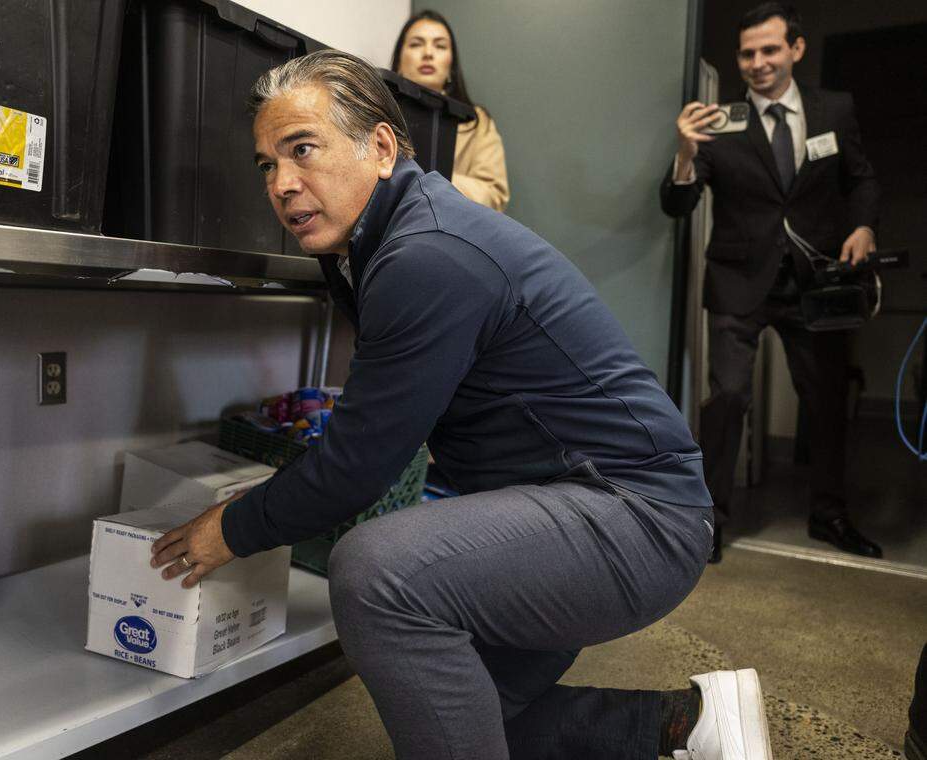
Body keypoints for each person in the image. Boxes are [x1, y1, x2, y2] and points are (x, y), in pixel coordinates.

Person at [148, 49, 773, 760]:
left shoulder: (426, 253)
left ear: (381, 147)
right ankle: (689, 725)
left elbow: (357, 468)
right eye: (267, 164)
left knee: (375, 573)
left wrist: (229, 527)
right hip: (576, 505)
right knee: (456, 703)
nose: (283, 185)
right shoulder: (379, 240)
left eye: (302, 150)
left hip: (635, 516)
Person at [660, 2, 882, 563]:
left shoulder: (835, 108)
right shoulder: (720, 123)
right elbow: (677, 204)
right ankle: (710, 522)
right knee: (729, 396)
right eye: (747, 53)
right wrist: (686, 152)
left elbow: (860, 180)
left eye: (769, 50)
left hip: (817, 282)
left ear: (795, 50)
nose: (757, 63)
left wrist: (862, 227)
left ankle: (829, 514)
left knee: (826, 400)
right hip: (738, 280)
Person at [391, 9, 510, 212]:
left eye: (440, 46)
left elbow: (494, 195)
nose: (428, 53)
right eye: (416, 44)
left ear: (451, 67)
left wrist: (433, 175)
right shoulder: (375, 113)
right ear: (399, 62)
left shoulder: (477, 123)